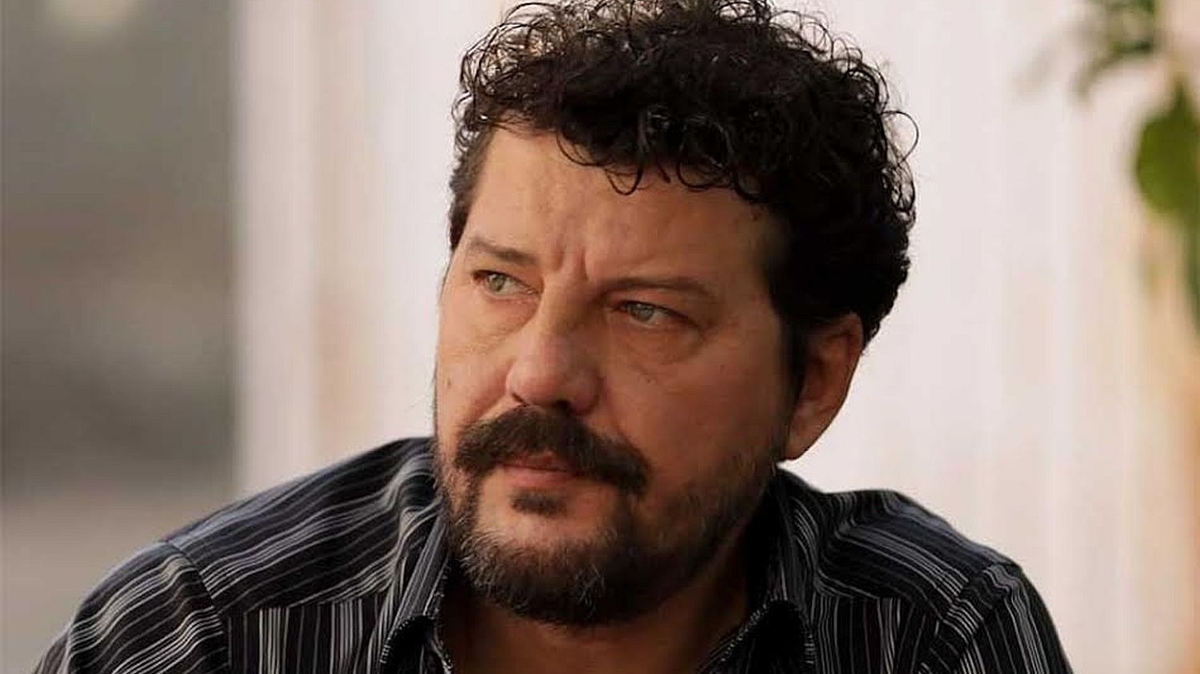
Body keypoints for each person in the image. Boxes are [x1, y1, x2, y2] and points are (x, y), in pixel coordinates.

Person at [34, 1, 1073, 672]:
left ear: (814, 381)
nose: (539, 373)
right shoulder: (208, 635)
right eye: (500, 282)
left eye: (645, 311)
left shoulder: (929, 638)